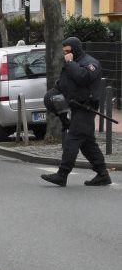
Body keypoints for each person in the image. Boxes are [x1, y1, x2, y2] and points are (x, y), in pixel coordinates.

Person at [41, 37, 111, 187]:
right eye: (64, 51)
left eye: (68, 51)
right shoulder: (70, 63)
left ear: (75, 49)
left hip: (86, 108)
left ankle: (62, 175)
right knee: (87, 143)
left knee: (72, 139)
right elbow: (63, 85)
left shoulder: (90, 63)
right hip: (76, 108)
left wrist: (70, 63)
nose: (65, 54)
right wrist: (53, 101)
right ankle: (103, 174)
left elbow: (83, 77)